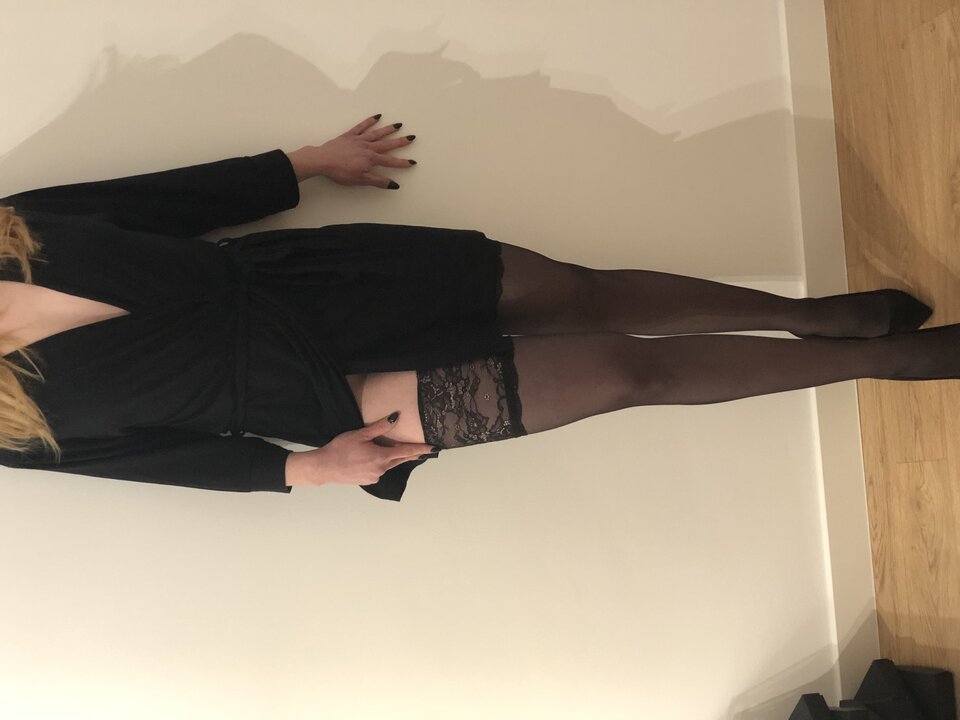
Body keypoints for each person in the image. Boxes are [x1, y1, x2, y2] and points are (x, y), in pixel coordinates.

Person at [0, 114, 950, 501]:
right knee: (622, 372)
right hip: (328, 389)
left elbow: (159, 200)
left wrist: (303, 163)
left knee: (578, 290)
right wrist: (304, 471)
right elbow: (154, 461)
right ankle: (882, 361)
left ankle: (806, 313)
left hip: (320, 278)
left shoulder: (9, 225)